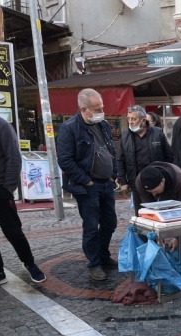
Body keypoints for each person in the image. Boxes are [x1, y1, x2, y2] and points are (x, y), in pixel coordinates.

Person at [0, 87, 46, 290]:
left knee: (13, 232)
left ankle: (30, 264)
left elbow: (14, 157)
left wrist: (8, 188)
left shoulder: (0, 126)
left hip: (0, 189)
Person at [57, 88, 118, 281]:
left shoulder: (103, 124)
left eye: (102, 106)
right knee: (91, 226)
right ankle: (95, 263)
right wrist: (87, 181)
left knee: (110, 222)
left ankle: (103, 255)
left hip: (106, 184)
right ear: (84, 109)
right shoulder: (70, 128)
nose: (102, 110)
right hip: (88, 186)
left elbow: (110, 149)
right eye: (97, 108)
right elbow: (65, 160)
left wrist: (113, 174)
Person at [116, 105, 173, 216]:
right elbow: (120, 160)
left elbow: (169, 156)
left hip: (158, 182)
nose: (130, 122)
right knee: (141, 215)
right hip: (137, 182)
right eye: (128, 118)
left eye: (133, 119)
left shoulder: (157, 133)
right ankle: (142, 234)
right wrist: (123, 181)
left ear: (143, 120)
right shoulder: (125, 136)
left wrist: (167, 177)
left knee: (159, 213)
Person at [134, 162, 181, 250]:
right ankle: (150, 254)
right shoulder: (140, 181)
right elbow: (149, 211)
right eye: (150, 192)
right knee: (142, 224)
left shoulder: (180, 180)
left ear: (163, 181)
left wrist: (177, 238)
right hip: (152, 193)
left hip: (177, 194)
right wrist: (157, 235)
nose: (154, 194)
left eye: (155, 191)